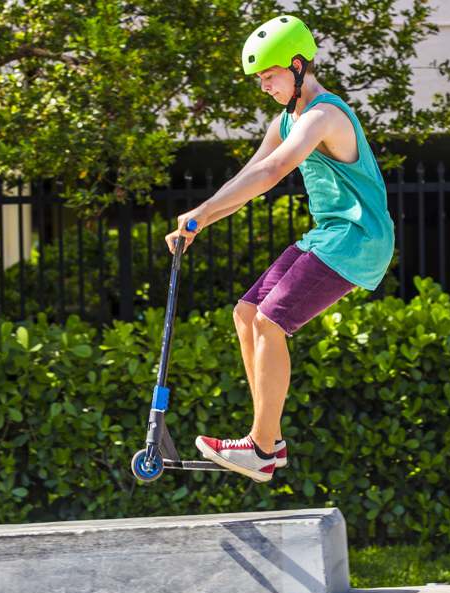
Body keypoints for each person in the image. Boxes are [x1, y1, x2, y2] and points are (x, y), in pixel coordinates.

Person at [164, 14, 395, 482]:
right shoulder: (287, 119)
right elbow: (250, 173)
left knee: (271, 320)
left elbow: (274, 174)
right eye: (260, 80)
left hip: (358, 238)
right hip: (329, 235)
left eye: (269, 76)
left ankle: (261, 446)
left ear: (297, 65)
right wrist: (200, 218)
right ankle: (268, 442)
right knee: (246, 314)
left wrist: (202, 216)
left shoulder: (324, 116)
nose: (264, 86)